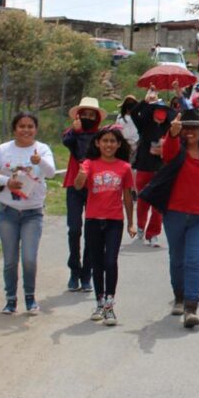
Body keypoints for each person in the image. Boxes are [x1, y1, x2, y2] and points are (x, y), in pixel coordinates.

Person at [142, 109, 199, 328]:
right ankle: (179, 297)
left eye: (194, 128)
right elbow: (168, 150)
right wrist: (173, 133)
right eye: (186, 128)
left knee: (194, 261)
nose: (190, 132)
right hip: (175, 213)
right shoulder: (176, 150)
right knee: (177, 259)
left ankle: (191, 307)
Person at [0, 112, 56, 314]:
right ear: (14, 129)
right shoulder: (3, 150)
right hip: (8, 212)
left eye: (30, 126)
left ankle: (30, 298)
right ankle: (11, 300)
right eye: (22, 126)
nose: (26, 130)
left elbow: (51, 173)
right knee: (10, 260)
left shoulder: (42, 149)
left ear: (36, 129)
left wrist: (39, 161)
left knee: (29, 258)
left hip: (32, 213)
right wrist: (7, 181)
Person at [74, 127, 137, 326]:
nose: (108, 144)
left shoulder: (124, 167)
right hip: (93, 220)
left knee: (110, 261)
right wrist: (81, 174)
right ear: (97, 143)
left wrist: (131, 223)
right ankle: (99, 303)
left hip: (114, 221)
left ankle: (110, 304)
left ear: (118, 145)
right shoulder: (89, 164)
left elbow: (128, 196)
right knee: (97, 262)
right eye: (105, 141)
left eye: (112, 141)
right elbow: (78, 185)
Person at [62, 97, 106, 292]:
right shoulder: (71, 133)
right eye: (84, 114)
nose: (88, 117)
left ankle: (87, 273)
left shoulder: (101, 136)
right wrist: (76, 131)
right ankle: (74, 269)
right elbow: (67, 142)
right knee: (74, 229)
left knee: (92, 231)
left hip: (94, 186)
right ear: (78, 116)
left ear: (96, 117)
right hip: (74, 185)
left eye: (91, 115)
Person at [130, 87, 177, 247]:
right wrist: (145, 101)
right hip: (144, 166)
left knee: (158, 204)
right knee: (143, 200)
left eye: (163, 112)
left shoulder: (169, 129)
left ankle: (153, 234)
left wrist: (164, 149)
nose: (160, 115)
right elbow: (134, 113)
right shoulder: (144, 125)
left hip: (161, 170)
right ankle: (141, 226)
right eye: (157, 111)